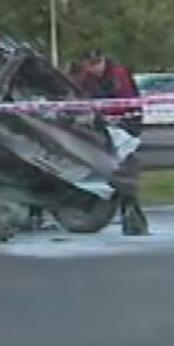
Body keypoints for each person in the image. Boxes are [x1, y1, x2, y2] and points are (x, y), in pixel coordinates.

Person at [73, 50, 149, 235]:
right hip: (105, 129)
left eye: (93, 65)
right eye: (88, 67)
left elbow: (124, 104)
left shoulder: (118, 75)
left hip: (126, 128)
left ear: (100, 62)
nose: (91, 70)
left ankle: (134, 220)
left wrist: (100, 112)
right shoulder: (87, 78)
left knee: (123, 173)